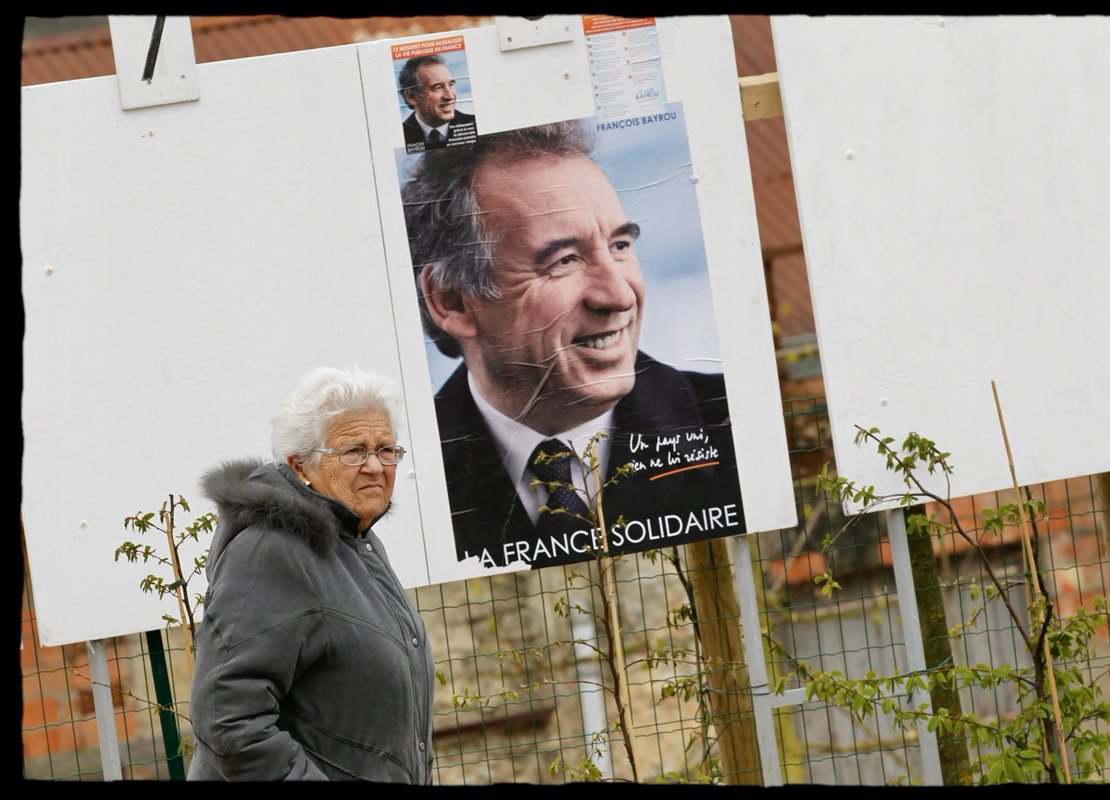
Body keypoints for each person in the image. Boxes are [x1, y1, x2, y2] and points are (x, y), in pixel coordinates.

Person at [402, 120, 745, 570]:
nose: (620, 296)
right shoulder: (403, 484)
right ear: (452, 300)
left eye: (620, 245)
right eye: (563, 261)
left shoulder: (734, 426)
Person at [186, 366, 434, 782]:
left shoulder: (355, 543)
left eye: (387, 449)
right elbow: (228, 722)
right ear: (300, 465)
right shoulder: (273, 550)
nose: (375, 466)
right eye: (353, 451)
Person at [398, 54, 476, 151]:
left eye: (451, 85)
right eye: (437, 87)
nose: (450, 96)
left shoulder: (475, 125)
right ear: (410, 96)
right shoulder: (399, 137)